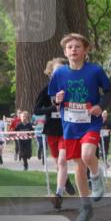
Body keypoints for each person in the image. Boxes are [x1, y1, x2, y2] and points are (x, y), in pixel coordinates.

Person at [49, 33, 111, 221]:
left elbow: (109, 92)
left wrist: (100, 106)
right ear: (65, 52)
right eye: (70, 47)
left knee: (87, 155)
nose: (73, 50)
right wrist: (56, 100)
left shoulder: (95, 70)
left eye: (77, 47)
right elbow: (53, 97)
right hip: (70, 124)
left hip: (90, 121)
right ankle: (86, 207)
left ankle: (96, 176)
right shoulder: (59, 73)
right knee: (78, 165)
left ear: (85, 51)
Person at [34, 57, 75, 204]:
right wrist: (53, 108)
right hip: (51, 130)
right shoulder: (46, 90)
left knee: (62, 161)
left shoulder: (72, 88)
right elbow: (36, 110)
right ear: (50, 73)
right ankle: (65, 180)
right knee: (58, 163)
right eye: (56, 71)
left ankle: (58, 195)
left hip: (66, 129)